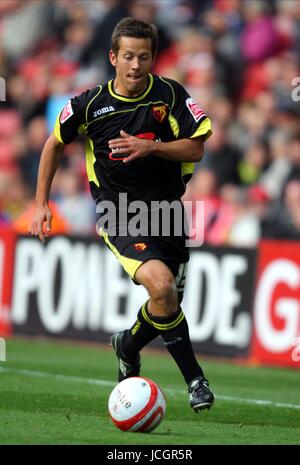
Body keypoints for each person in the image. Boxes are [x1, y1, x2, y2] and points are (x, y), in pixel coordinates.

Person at [29, 17, 214, 413]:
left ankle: (127, 346)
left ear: (153, 59)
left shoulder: (170, 95)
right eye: (128, 56)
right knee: (161, 287)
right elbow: (53, 144)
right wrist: (41, 202)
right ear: (113, 57)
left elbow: (197, 148)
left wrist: (151, 149)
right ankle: (196, 380)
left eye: (143, 57)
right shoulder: (90, 104)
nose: (135, 65)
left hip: (168, 212)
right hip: (119, 211)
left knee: (167, 304)